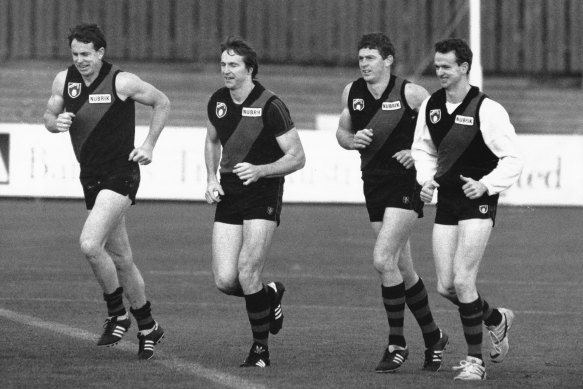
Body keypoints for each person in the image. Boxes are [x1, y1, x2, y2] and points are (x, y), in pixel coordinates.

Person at [43, 23, 170, 360]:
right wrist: (54, 124)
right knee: (123, 260)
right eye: (75, 54)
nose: (81, 60)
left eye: (87, 54)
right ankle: (149, 326)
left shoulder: (121, 81)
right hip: (92, 177)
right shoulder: (63, 80)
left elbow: (162, 102)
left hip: (122, 174)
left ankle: (117, 313)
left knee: (89, 243)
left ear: (100, 53)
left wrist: (149, 144)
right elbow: (49, 113)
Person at [336, 32, 448, 373]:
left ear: (387, 60)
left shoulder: (411, 93)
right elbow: (341, 133)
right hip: (373, 185)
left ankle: (397, 343)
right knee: (403, 268)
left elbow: (443, 136)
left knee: (383, 259)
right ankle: (433, 336)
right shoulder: (351, 92)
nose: (364, 64)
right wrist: (352, 139)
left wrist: (417, 154)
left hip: (405, 185)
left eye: (370, 58)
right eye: (361, 58)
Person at [412, 38, 523, 381]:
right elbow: (422, 149)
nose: (440, 71)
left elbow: (514, 159)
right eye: (438, 65)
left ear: (464, 68)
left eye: (447, 66)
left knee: (463, 280)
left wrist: (486, 185)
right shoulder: (431, 105)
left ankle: (475, 362)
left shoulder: (488, 109)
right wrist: (426, 180)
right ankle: (496, 319)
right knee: (446, 286)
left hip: (479, 201)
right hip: (447, 201)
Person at [204, 36, 305, 368]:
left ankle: (260, 350)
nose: (226, 71)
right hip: (230, 193)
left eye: (233, 65)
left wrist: (261, 170)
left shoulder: (271, 105)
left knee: (247, 270)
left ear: (250, 69)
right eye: (223, 64)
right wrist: (211, 179)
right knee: (225, 280)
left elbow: (297, 157)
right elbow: (211, 140)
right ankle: (270, 294)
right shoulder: (217, 101)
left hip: (263, 191)